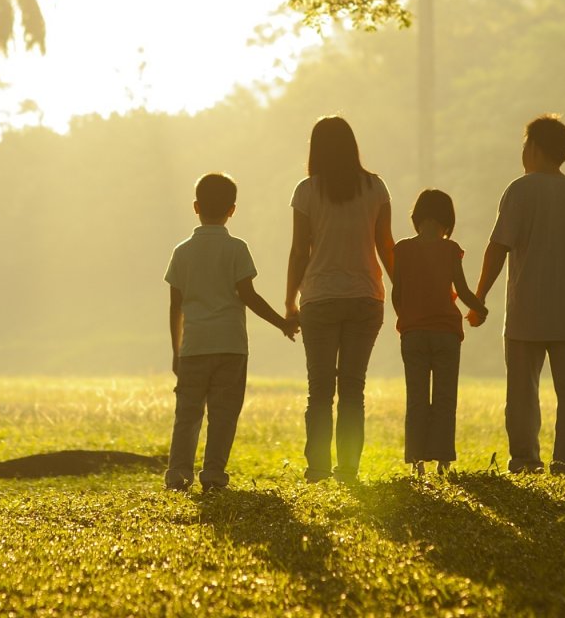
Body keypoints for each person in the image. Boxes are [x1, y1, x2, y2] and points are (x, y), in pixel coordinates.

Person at [472, 114, 565, 476]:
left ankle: (526, 460)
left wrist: (479, 295)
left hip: (525, 314)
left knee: (522, 394)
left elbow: (497, 247)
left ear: (532, 147)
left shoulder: (520, 190)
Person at [164, 172, 297, 491]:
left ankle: (179, 473)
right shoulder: (237, 248)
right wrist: (282, 322)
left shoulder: (182, 252)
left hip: (194, 346)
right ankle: (212, 473)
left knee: (188, 414)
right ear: (232, 210)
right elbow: (248, 296)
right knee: (223, 415)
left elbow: (175, 306)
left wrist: (176, 350)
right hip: (231, 346)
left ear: (195, 206)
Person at [285, 116, 394, 483]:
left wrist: (289, 300)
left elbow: (300, 251)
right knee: (352, 389)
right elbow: (385, 246)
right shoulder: (376, 187)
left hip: (319, 298)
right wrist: (403, 290)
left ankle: (317, 468)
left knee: (319, 391)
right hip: (366, 298)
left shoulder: (306, 191)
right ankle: (348, 468)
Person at [391, 189, 485, 475]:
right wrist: (480, 308)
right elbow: (463, 290)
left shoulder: (403, 249)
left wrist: (407, 318)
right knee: (445, 397)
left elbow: (398, 293)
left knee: (416, 397)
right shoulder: (450, 249)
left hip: (414, 334)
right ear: (447, 220)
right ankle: (443, 460)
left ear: (417, 218)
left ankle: (417, 462)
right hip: (446, 333)